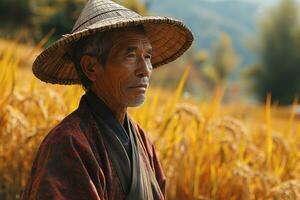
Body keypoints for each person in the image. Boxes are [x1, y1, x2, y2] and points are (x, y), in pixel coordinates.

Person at [21, 0, 193, 199]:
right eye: (130, 55)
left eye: (147, 56)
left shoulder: (142, 141)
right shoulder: (69, 144)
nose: (145, 69)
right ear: (91, 68)